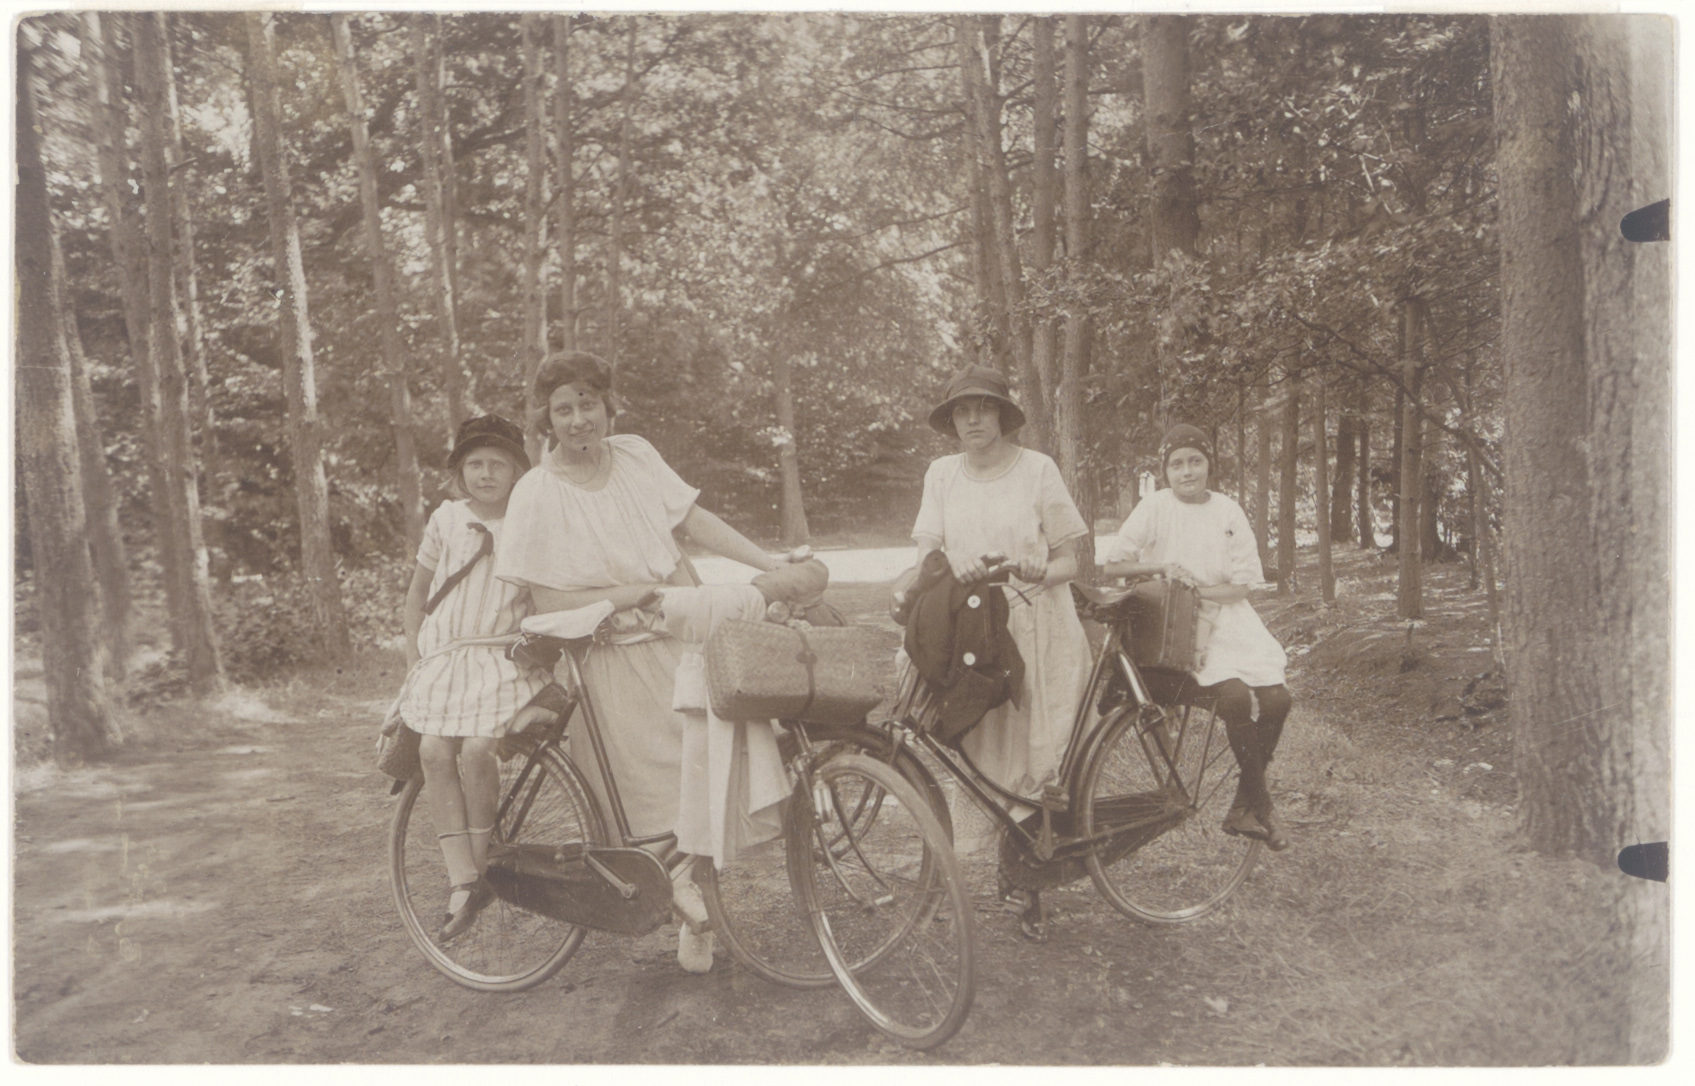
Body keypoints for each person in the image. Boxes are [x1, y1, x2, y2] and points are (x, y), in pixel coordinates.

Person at [495, 351, 786, 973]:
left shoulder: (635, 456)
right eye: (564, 409)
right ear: (547, 419)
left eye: (588, 403)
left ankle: (694, 904)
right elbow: (548, 600)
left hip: (676, 642)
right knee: (652, 800)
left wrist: (771, 566)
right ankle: (683, 900)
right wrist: (631, 594)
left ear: (607, 406)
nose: (579, 419)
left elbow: (695, 520)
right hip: (608, 662)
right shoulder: (536, 492)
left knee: (707, 775)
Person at [909, 365, 1093, 930]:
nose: (973, 420)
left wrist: (1041, 569)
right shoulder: (942, 474)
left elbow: (1072, 560)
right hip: (971, 632)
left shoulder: (1037, 469)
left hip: (1037, 628)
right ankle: (998, 866)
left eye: (983, 408)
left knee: (1036, 757)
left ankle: (1027, 882)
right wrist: (950, 561)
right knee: (981, 751)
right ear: (952, 421)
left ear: (1002, 416)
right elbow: (926, 554)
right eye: (962, 411)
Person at [1100, 423, 1292, 851]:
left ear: (1209, 465)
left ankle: (1243, 805)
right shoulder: (1155, 507)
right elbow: (1113, 566)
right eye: (1176, 464)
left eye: (1195, 461)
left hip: (1226, 617)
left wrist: (1199, 592)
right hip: (1175, 623)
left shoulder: (1227, 510)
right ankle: (1262, 805)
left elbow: (1240, 586)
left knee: (1278, 699)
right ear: (1166, 471)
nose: (1186, 472)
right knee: (1235, 697)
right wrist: (1162, 568)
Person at [398, 415, 547, 940]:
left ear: (517, 472)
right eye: (476, 464)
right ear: (460, 472)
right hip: (446, 656)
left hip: (500, 656)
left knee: (479, 747)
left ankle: (481, 865)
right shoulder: (447, 519)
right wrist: (414, 660)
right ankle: (461, 877)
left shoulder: (530, 524)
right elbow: (418, 597)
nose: (486, 474)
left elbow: (541, 598)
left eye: (498, 464)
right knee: (434, 750)